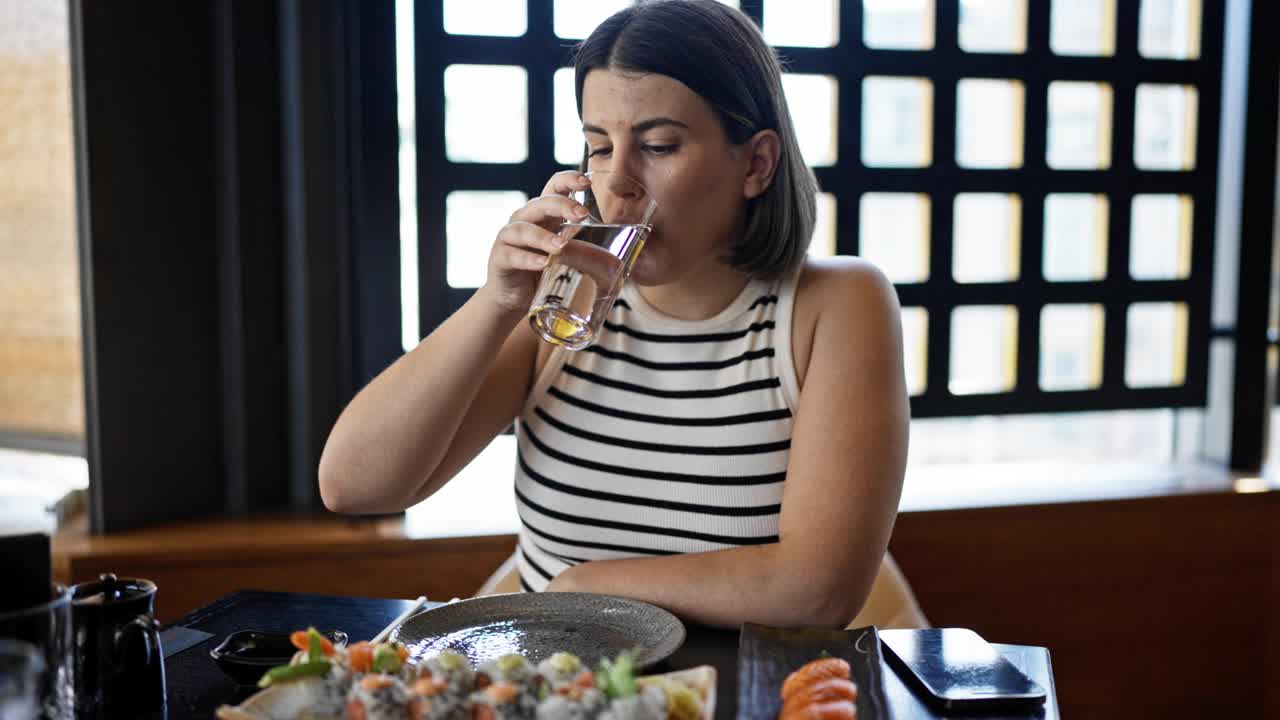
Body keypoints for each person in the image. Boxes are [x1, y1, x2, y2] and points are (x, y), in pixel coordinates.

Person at [319, 0, 909, 630]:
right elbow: (355, 488)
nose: (618, 182)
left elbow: (816, 592)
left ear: (756, 164)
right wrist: (497, 303)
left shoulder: (836, 305)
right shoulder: (562, 305)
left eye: (658, 145)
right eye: (599, 147)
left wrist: (583, 585)